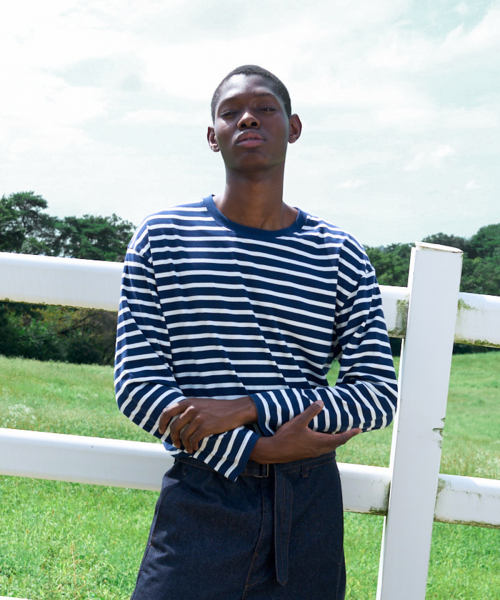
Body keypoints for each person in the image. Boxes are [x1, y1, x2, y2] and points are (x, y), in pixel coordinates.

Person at [115, 65, 398, 600]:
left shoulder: (339, 253)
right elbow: (138, 385)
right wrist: (254, 450)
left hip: (308, 503)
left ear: (293, 127)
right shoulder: (163, 238)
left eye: (265, 108)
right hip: (202, 493)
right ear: (212, 135)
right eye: (231, 112)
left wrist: (246, 408)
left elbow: (376, 396)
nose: (248, 119)